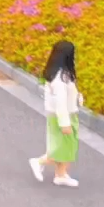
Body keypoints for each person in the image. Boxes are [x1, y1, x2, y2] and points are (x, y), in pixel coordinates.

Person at [29, 40, 82, 187]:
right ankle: (39, 162)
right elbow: (60, 103)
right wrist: (65, 123)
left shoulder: (62, 74)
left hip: (67, 114)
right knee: (62, 148)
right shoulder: (59, 79)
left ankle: (61, 174)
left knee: (67, 147)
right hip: (63, 117)